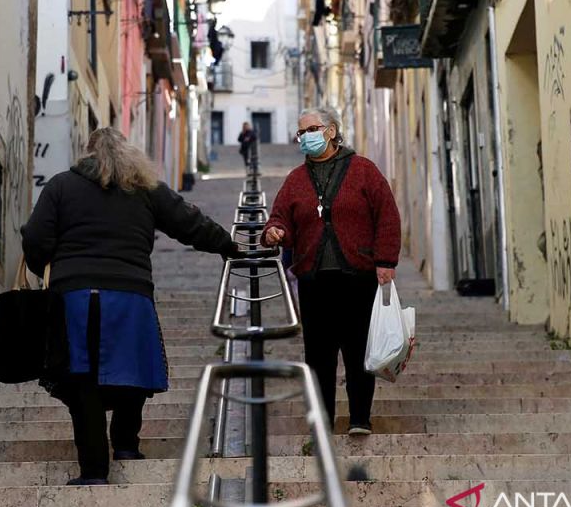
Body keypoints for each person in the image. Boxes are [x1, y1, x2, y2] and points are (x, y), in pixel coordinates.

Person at [21, 128, 241, 485]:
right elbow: (189, 222)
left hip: (75, 297)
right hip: (131, 294)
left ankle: (94, 470)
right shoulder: (144, 188)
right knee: (131, 369)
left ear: (87, 153)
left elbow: (35, 238)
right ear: (127, 152)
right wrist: (228, 246)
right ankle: (125, 445)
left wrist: (44, 264)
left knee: (83, 380)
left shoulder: (61, 186)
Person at [261, 108, 401, 435]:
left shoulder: (364, 171)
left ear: (332, 130)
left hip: (358, 277)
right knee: (318, 357)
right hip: (314, 280)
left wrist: (386, 261)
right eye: (301, 132)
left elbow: (387, 216)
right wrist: (274, 232)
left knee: (357, 352)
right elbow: (279, 216)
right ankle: (322, 421)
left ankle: (359, 419)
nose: (305, 136)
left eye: (312, 128)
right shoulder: (296, 180)